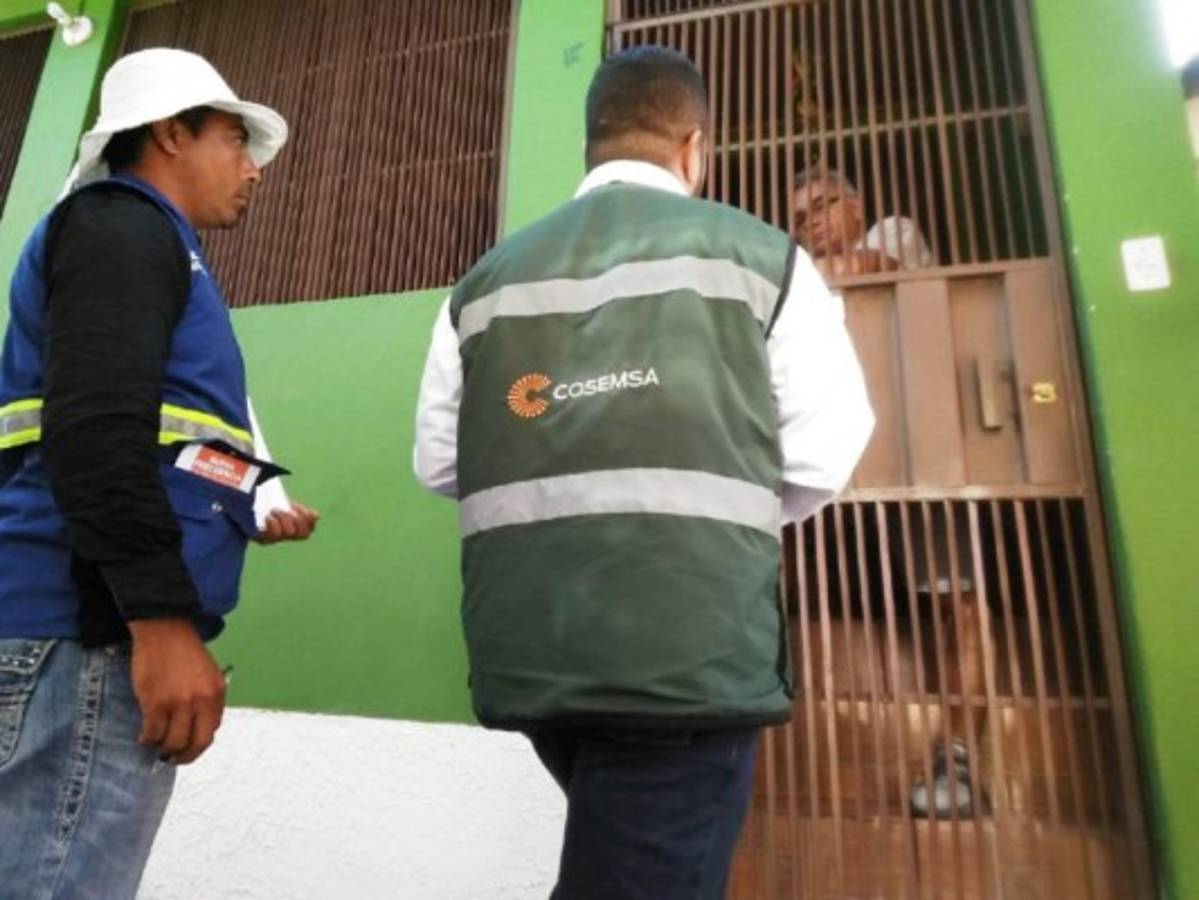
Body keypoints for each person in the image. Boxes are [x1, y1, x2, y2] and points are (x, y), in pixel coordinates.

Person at [414, 46, 873, 899]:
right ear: (693, 146)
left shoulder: (480, 287)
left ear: (592, 143)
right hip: (685, 657)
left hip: (532, 654)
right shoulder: (763, 259)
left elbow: (441, 462)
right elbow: (824, 453)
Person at [0, 49, 317, 898]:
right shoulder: (120, 225)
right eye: (234, 140)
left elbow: (150, 436)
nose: (252, 169)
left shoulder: (146, 243)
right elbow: (97, 428)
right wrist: (160, 623)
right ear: (172, 134)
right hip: (84, 638)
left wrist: (245, 501)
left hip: (78, 634)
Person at [792, 167, 935, 276]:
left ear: (856, 207)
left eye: (820, 207)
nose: (809, 223)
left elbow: (865, 265)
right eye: (800, 220)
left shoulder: (895, 229)